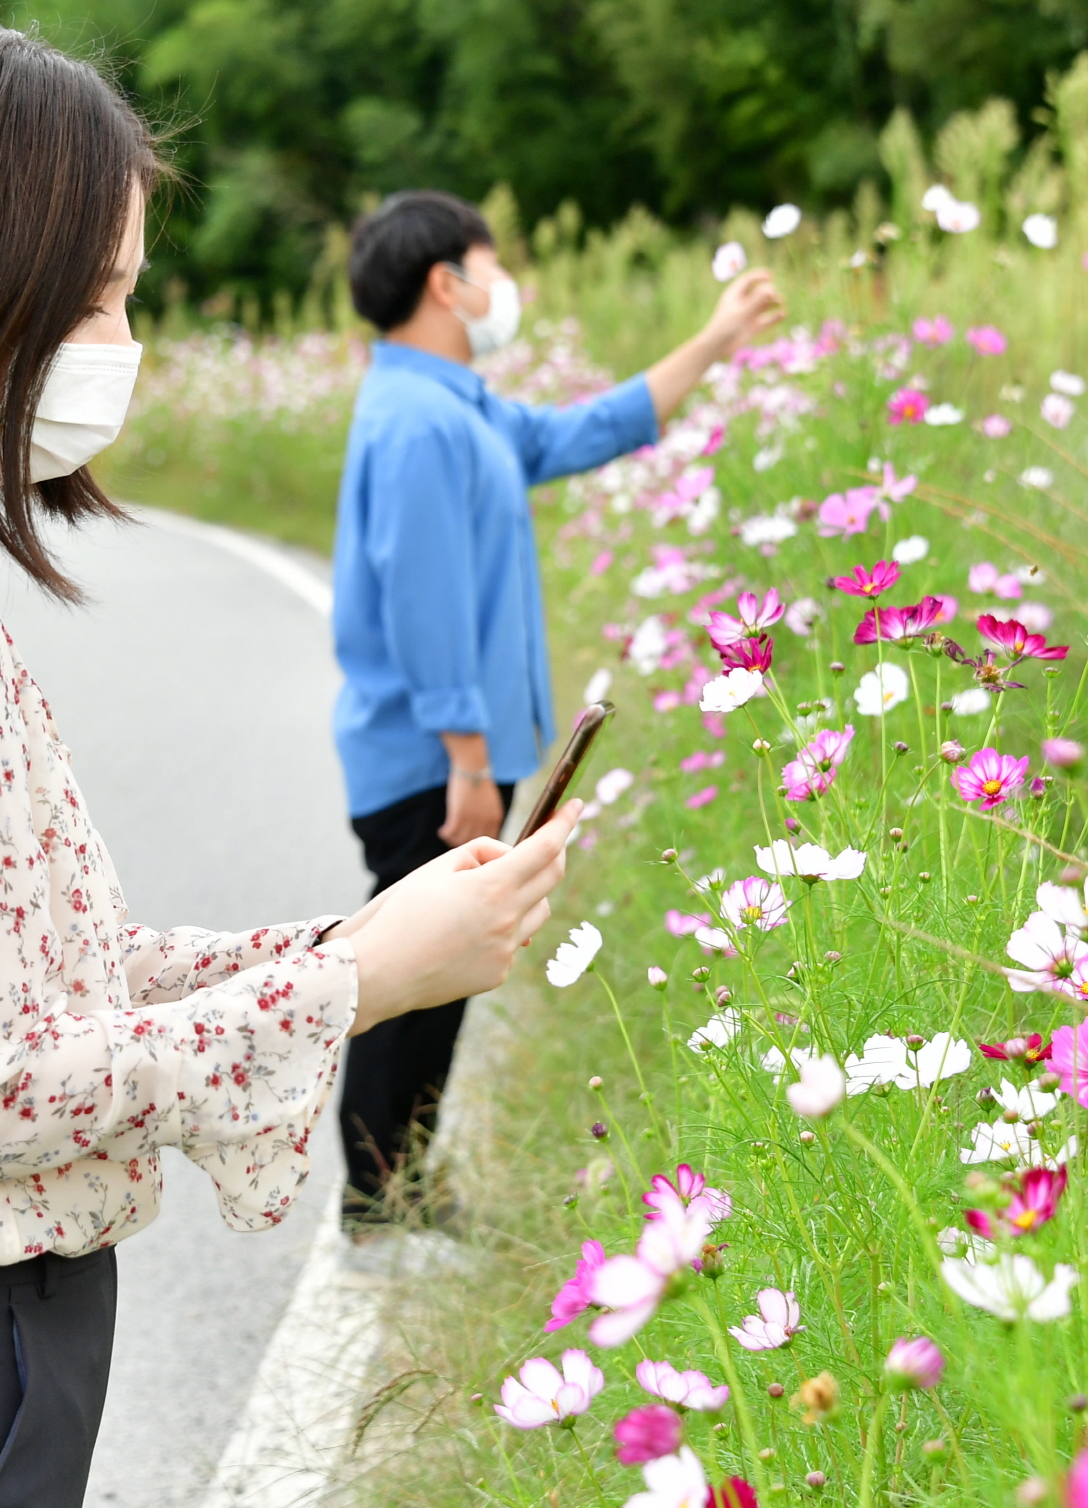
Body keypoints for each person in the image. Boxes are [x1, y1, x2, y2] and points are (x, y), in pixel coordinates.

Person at [0, 20, 581, 1508]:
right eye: (100, 298)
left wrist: (344, 938)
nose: (115, 346)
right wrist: (356, 988)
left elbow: (5, 974)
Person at [329, 190, 782, 1232]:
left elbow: (592, 430)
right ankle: (376, 1206)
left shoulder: (460, 405)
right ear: (447, 282)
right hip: (432, 763)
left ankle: (401, 1186)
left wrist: (712, 342)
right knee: (409, 983)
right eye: (492, 265)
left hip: (454, 755)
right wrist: (469, 763)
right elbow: (425, 600)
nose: (504, 287)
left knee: (437, 979)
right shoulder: (416, 422)